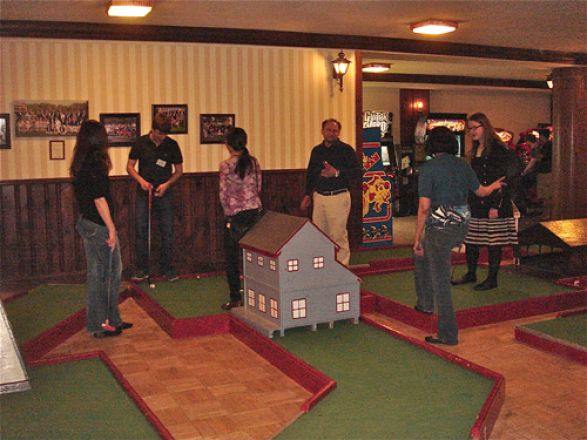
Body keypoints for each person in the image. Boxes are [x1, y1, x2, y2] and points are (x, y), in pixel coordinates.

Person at [414, 126, 506, 346]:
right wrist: (494, 185)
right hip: (462, 225)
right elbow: (481, 191)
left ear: (431, 144)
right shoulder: (462, 165)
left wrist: (417, 236)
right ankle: (425, 303)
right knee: (421, 258)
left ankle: (447, 333)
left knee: (440, 280)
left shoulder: (429, 168)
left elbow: (424, 207)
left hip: (440, 227)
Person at [70, 120, 132, 338]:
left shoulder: (81, 161)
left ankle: (111, 320)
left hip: (88, 222)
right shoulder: (95, 163)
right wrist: (112, 228)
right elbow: (99, 199)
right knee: (107, 276)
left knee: (103, 275)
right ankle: (101, 325)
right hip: (98, 226)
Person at [452, 113, 522, 291]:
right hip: (476, 201)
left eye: (476, 127)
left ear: (485, 127)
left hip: (494, 203)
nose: (472, 131)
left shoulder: (499, 150)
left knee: (493, 242)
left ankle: (492, 279)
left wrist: (495, 205)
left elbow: (505, 179)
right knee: (472, 240)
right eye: (470, 128)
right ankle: (471, 273)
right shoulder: (475, 150)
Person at [127, 113, 183, 282]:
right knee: (141, 229)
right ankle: (142, 269)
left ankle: (167, 269)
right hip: (144, 191)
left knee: (167, 230)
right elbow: (129, 167)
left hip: (164, 192)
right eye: (159, 133)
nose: (161, 137)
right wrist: (142, 182)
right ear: (153, 129)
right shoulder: (140, 142)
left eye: (164, 134)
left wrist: (167, 184)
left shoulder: (172, 145)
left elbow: (179, 171)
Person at [300, 118, 361, 266]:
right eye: (328, 130)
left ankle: (341, 267)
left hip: (338, 197)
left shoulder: (346, 150)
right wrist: (308, 194)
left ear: (339, 132)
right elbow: (311, 174)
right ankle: (324, 267)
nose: (331, 133)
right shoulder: (317, 151)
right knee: (320, 235)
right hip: (319, 197)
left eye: (335, 130)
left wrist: (337, 172)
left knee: (338, 235)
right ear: (322, 132)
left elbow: (358, 172)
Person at [219, 127, 263, 310]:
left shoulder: (226, 165)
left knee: (232, 259)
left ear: (228, 145)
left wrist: (227, 211)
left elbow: (223, 193)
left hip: (235, 216)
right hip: (254, 213)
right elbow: (259, 186)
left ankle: (236, 298)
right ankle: (258, 298)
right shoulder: (253, 162)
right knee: (255, 258)